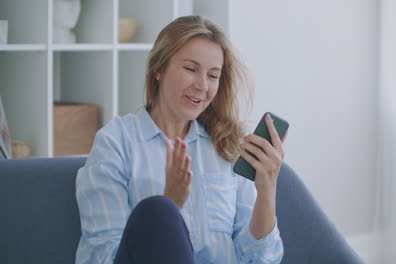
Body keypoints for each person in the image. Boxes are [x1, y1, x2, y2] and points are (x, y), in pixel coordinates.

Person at [75, 15, 286, 264]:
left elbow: (260, 259)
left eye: (213, 75)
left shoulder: (228, 145)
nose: (202, 86)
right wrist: (169, 207)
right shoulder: (116, 143)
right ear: (158, 69)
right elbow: (103, 258)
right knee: (159, 210)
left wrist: (266, 190)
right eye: (190, 69)